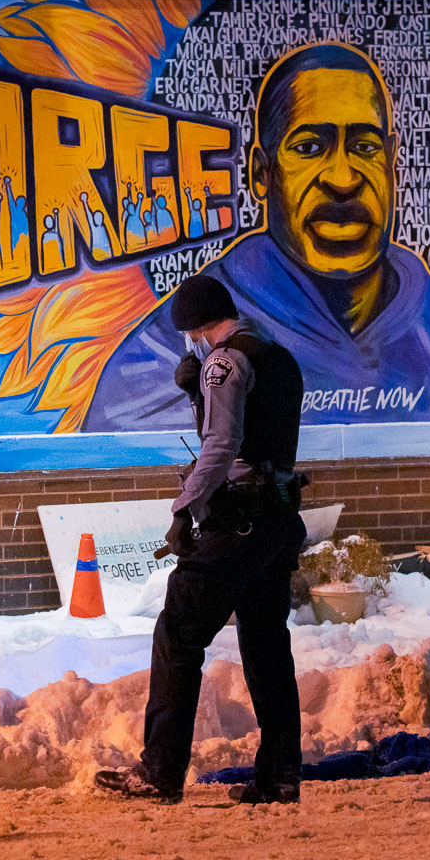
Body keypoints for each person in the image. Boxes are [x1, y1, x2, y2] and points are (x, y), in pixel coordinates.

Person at [84, 42, 430, 430]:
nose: (343, 179)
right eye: (308, 148)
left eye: (365, 147)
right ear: (261, 174)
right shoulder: (153, 364)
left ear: (392, 163)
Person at [94, 275, 308, 805]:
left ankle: (160, 771)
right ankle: (280, 774)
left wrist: (185, 508)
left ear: (194, 327)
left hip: (236, 519)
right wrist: (198, 392)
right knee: (266, 647)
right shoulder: (278, 355)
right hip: (278, 517)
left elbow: (220, 446)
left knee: (178, 636)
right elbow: (262, 431)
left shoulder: (223, 363)